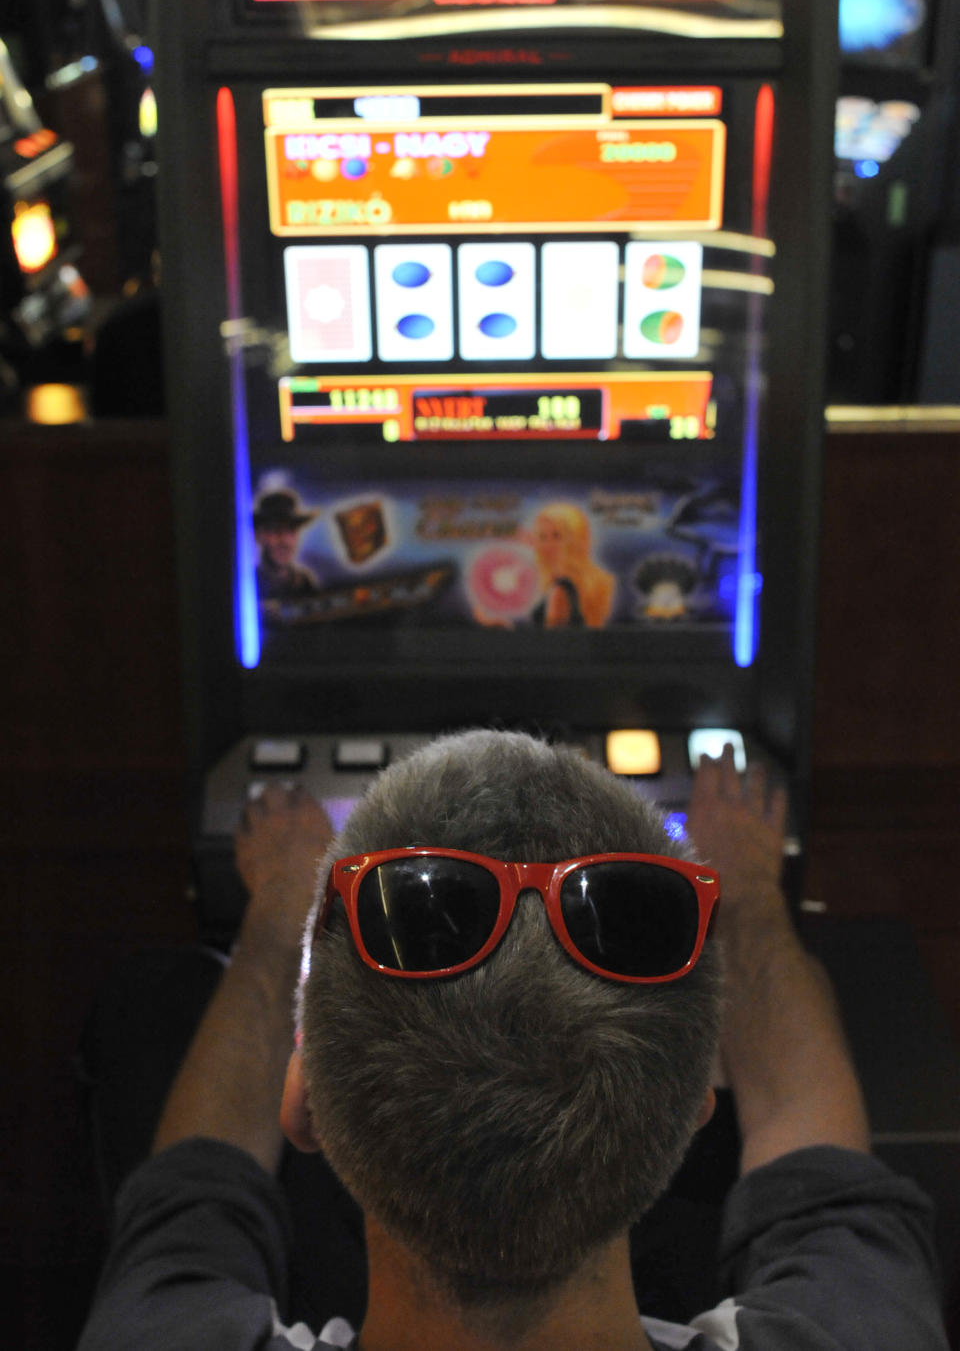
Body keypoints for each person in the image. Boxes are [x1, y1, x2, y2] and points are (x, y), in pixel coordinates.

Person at [76, 731, 948, 1351]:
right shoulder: (862, 1328)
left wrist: (277, 905)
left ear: (304, 1100)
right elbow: (815, 1146)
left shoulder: (157, 1332)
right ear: (689, 1117)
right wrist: (746, 881)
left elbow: (194, 1193)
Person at [530, 503, 616, 627]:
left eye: (557, 536)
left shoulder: (561, 588)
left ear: (575, 538)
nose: (548, 545)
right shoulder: (596, 581)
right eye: (542, 537)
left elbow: (552, 640)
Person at [254, 488, 322, 604]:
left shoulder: (304, 582)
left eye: (291, 530)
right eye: (276, 530)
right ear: (259, 536)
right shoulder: (249, 584)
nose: (285, 541)